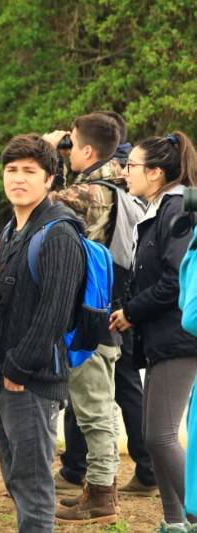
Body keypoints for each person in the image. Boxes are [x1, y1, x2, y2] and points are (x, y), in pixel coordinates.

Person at [0, 134, 85, 532]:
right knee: (15, 479)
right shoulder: (12, 230)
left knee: (33, 485)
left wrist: (19, 368)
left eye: (29, 172)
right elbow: (17, 296)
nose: (18, 179)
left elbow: (55, 312)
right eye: (11, 170)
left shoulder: (59, 235)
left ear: (50, 179)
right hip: (4, 372)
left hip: (30, 379)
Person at [42, 113, 132, 523]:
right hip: (102, 307)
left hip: (87, 310)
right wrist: (66, 155)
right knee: (98, 407)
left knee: (95, 409)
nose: (67, 149)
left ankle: (101, 495)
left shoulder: (91, 192)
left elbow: (41, 205)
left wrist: (46, 154)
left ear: (89, 151)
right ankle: (96, 488)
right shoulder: (118, 181)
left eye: (73, 144)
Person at [110, 131, 197, 533]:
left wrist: (131, 312)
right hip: (164, 334)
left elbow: (175, 281)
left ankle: (190, 514)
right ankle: (174, 521)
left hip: (179, 337)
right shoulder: (159, 208)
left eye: (132, 166)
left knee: (159, 436)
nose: (125, 172)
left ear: (157, 173)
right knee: (155, 435)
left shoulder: (178, 208)